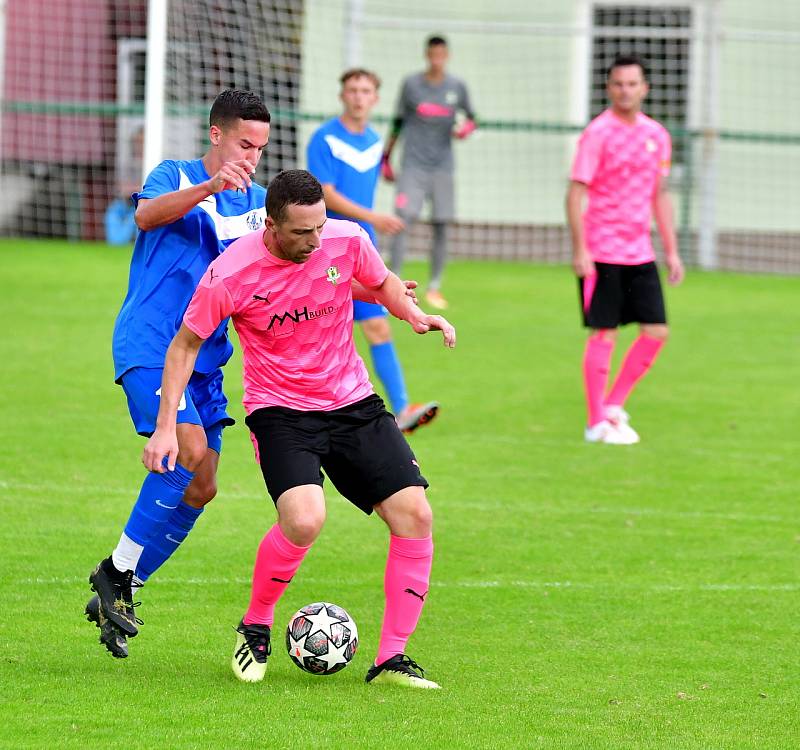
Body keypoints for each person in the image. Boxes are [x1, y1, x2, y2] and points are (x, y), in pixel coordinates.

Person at [142, 169, 456, 689]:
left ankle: (391, 661)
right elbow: (184, 346)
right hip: (280, 410)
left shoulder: (347, 239)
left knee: (415, 514)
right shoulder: (232, 272)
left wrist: (413, 314)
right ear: (270, 224)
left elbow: (381, 284)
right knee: (305, 519)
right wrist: (166, 427)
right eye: (301, 232)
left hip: (352, 400)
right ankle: (257, 622)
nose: (314, 241)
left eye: (319, 227)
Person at [86, 90, 271, 658]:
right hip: (151, 342)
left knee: (203, 484)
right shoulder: (176, 174)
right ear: (216, 135)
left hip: (207, 358)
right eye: (245, 143)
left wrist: (378, 289)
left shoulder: (261, 202)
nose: (253, 157)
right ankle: (115, 573)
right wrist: (210, 189)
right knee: (185, 450)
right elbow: (145, 215)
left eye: (261, 147)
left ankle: (124, 584)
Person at [307, 67, 439, 433]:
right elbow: (326, 193)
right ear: (342, 95)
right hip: (326, 249)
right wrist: (374, 217)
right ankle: (312, 407)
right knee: (324, 333)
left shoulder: (374, 141)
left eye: (366, 90)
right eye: (352, 89)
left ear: (375, 98)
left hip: (362, 249)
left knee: (378, 327)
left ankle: (402, 409)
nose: (359, 96)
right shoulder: (325, 139)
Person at [566, 54, 685, 445]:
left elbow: (660, 195)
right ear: (609, 88)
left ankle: (614, 404)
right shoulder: (597, 133)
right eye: (618, 84)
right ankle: (595, 421)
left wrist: (671, 250)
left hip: (641, 252)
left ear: (644, 88)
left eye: (632, 84)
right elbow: (575, 193)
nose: (625, 90)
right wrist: (580, 249)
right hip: (602, 251)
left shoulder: (658, 135)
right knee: (605, 334)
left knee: (657, 330)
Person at [382, 35, 476, 310]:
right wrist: (386, 157)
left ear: (446, 56)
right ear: (427, 55)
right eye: (432, 54)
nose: (437, 59)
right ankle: (394, 283)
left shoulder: (457, 87)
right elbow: (398, 122)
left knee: (442, 225)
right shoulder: (411, 85)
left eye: (441, 54)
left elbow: (472, 118)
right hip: (413, 164)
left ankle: (435, 286)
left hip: (443, 167)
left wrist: (467, 129)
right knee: (402, 221)